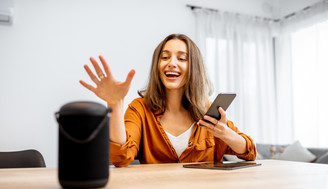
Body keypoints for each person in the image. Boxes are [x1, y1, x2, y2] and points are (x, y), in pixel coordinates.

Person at [80, 33, 256, 167]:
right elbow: (120, 158)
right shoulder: (140, 109)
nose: (171, 63)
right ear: (157, 66)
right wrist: (115, 103)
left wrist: (226, 134)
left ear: (194, 68)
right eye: (165, 57)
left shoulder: (208, 110)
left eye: (181, 58)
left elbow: (250, 152)